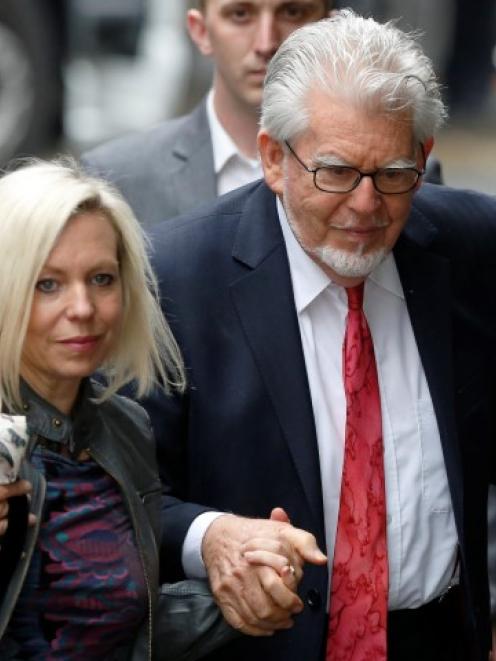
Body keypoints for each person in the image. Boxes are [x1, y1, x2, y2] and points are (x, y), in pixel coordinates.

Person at [141, 11, 496, 661]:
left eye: (392, 174)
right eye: (335, 172)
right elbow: (121, 495)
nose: (366, 205)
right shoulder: (176, 277)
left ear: (423, 157)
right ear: (274, 158)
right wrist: (211, 535)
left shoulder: (476, 248)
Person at [0, 159, 254, 660]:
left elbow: (116, 626)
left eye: (101, 278)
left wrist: (246, 587)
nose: (83, 308)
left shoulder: (126, 427)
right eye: (48, 284)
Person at [81, 0, 332, 227]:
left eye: (293, 12)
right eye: (240, 14)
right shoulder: (119, 178)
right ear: (201, 31)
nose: (266, 44)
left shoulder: (365, 168)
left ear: (329, 28)